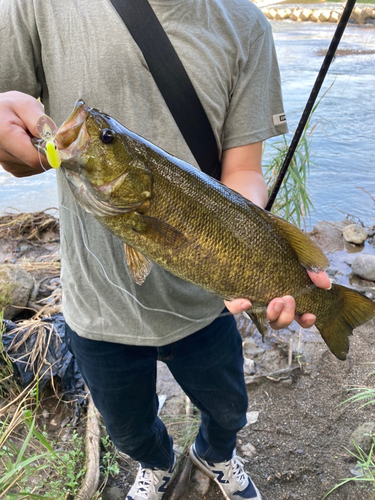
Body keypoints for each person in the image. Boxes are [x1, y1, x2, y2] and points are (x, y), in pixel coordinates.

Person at [0, 1, 330, 499]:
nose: (91, 131)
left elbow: (243, 171)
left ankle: (216, 454)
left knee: (228, 409)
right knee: (128, 427)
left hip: (209, 304)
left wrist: (264, 260)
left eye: (104, 138)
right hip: (96, 304)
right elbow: (14, 139)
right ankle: (155, 462)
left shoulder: (246, 26)